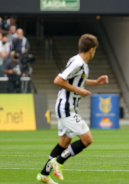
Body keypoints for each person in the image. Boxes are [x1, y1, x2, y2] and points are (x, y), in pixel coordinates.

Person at [36, 34, 109, 184]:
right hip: (66, 107)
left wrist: (96, 82)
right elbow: (58, 80)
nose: (94, 52)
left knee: (63, 143)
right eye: (95, 49)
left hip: (68, 106)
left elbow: (77, 81)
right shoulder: (78, 63)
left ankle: (44, 174)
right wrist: (79, 91)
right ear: (91, 49)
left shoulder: (80, 63)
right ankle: (59, 162)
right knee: (87, 139)